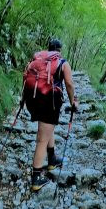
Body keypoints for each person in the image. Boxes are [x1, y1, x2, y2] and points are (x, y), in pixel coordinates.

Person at [25, 39, 78, 191]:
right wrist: (73, 101)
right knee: (42, 139)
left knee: (49, 128)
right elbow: (69, 84)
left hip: (33, 99)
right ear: (59, 50)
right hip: (49, 102)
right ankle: (36, 178)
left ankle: (52, 159)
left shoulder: (39, 59)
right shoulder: (62, 62)